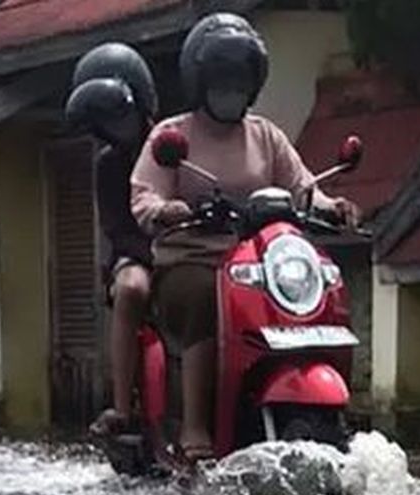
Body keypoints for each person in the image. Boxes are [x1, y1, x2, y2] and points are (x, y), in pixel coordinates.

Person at [131, 12, 359, 464]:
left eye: (239, 80)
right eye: (222, 79)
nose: (231, 89)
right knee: (204, 302)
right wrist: (166, 210)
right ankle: (196, 425)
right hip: (194, 260)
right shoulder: (173, 136)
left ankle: (340, 416)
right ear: (199, 81)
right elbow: (144, 195)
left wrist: (333, 207)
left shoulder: (265, 135)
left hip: (260, 263)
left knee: (329, 292)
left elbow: (303, 188)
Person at [64, 43, 159, 440]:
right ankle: (122, 405)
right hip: (137, 254)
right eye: (106, 119)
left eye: (120, 114)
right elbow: (118, 229)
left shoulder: (172, 144)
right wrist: (152, 253)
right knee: (132, 288)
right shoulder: (109, 164)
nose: (116, 126)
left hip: (193, 247)